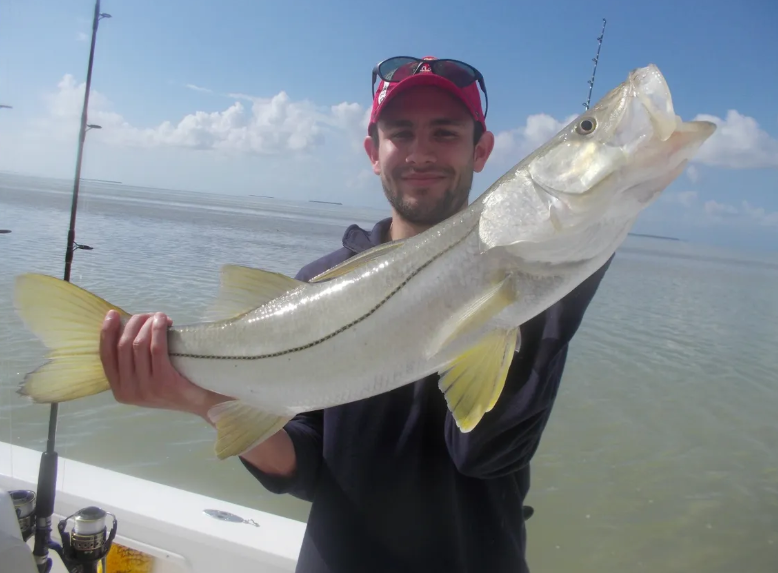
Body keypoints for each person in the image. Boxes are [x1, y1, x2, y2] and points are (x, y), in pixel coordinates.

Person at [99, 55, 613, 573]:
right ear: (373, 152)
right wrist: (198, 398)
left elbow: (483, 454)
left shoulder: (529, 274)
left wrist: (548, 297)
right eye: (401, 133)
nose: (421, 153)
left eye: (444, 133)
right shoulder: (315, 284)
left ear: (481, 150)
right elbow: (304, 466)